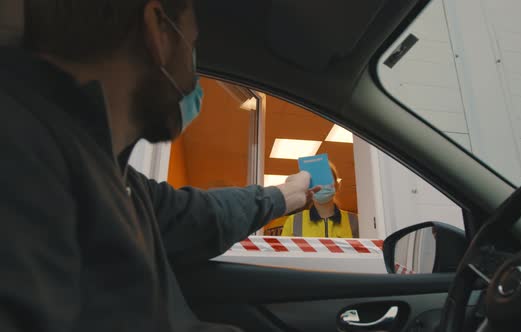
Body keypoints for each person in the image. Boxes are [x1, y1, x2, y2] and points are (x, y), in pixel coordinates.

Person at [0, 1, 316, 331]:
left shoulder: (117, 177)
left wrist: (286, 194)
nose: (194, 80)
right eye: (192, 47)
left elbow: (206, 216)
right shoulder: (19, 147)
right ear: (158, 30)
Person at [281, 163, 360, 238]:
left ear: (337, 185)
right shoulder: (293, 221)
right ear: (308, 187)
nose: (321, 185)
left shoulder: (354, 221)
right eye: (316, 181)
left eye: (326, 179)